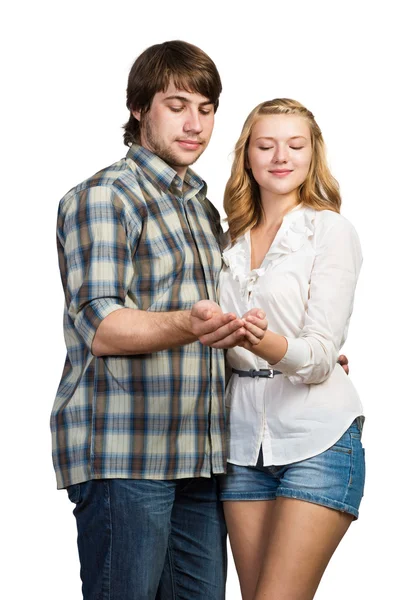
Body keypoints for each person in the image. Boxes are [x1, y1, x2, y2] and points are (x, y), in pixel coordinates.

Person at [51, 40, 269, 600]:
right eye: (177, 105)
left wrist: (290, 355)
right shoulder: (106, 196)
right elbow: (102, 327)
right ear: (139, 109)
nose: (195, 123)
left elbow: (218, 323)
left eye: (206, 107)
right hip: (128, 454)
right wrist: (188, 325)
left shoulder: (200, 207)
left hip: (199, 454)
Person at [205, 98, 365, 600]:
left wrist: (264, 342)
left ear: (312, 154)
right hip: (241, 446)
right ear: (246, 156)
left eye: (295, 145)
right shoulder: (223, 240)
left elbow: (318, 356)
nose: (281, 156)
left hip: (317, 439)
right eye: (266, 145)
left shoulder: (329, 231)